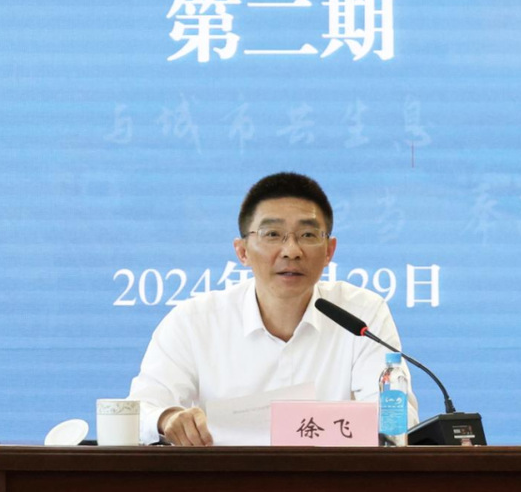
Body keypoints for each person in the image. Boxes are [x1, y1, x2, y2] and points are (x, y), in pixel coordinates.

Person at [128, 172, 418, 445]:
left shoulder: (362, 315)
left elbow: (398, 421)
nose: (291, 251)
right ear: (242, 251)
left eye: (307, 235)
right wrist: (168, 418)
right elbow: (139, 411)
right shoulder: (194, 322)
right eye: (272, 234)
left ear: (329, 251)